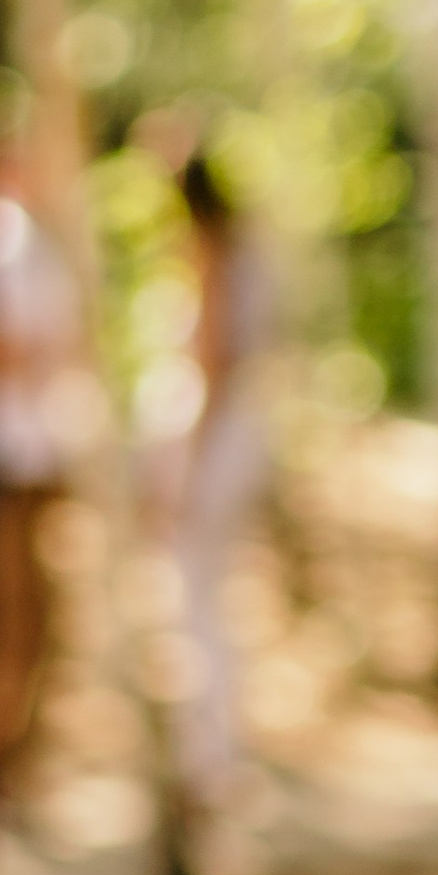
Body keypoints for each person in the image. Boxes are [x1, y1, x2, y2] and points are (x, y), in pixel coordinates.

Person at [0, 140, 85, 790]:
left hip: (30, 452)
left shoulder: (25, 238)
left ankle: (7, 753)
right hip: (7, 454)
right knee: (13, 612)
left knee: (29, 613)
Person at [164, 146, 276, 802]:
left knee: (197, 595)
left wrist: (187, 463)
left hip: (216, 441)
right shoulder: (246, 251)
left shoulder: (211, 257)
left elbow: (213, 362)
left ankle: (208, 751)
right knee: (211, 592)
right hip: (240, 436)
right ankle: (214, 744)